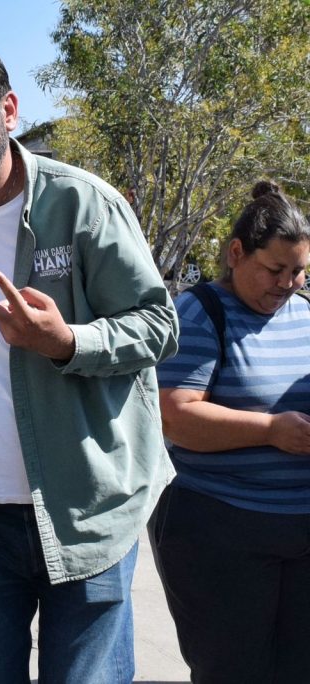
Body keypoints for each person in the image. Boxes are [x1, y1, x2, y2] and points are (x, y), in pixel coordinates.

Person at [0, 32, 179, 683]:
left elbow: (159, 326)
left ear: (8, 110)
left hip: (86, 513)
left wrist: (67, 342)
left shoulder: (80, 206)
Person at [152, 181, 310, 683]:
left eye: (300, 271)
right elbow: (175, 416)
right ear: (237, 253)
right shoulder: (202, 312)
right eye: (275, 270)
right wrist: (270, 430)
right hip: (218, 533)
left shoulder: (306, 314)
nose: (288, 284)